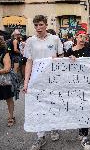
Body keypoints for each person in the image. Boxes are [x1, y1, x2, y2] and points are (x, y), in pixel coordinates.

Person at [22, 15, 64, 150]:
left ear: (46, 25)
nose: (38, 28)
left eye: (40, 25)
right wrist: (26, 82)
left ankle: (54, 128)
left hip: (53, 79)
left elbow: (62, 59)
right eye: (36, 25)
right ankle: (40, 137)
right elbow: (29, 62)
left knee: (53, 104)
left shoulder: (55, 39)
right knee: (38, 107)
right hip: (36, 80)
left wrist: (56, 60)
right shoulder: (30, 41)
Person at [65, 31, 90, 150]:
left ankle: (85, 136)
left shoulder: (89, 49)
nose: (82, 39)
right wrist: (69, 59)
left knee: (85, 107)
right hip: (74, 84)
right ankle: (80, 130)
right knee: (77, 107)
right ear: (76, 37)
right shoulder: (70, 51)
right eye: (80, 37)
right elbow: (63, 66)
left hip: (86, 83)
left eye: (84, 37)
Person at [0, 34, 15, 127]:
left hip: (4, 81)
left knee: (8, 99)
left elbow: (7, 69)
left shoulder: (5, 53)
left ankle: (11, 117)